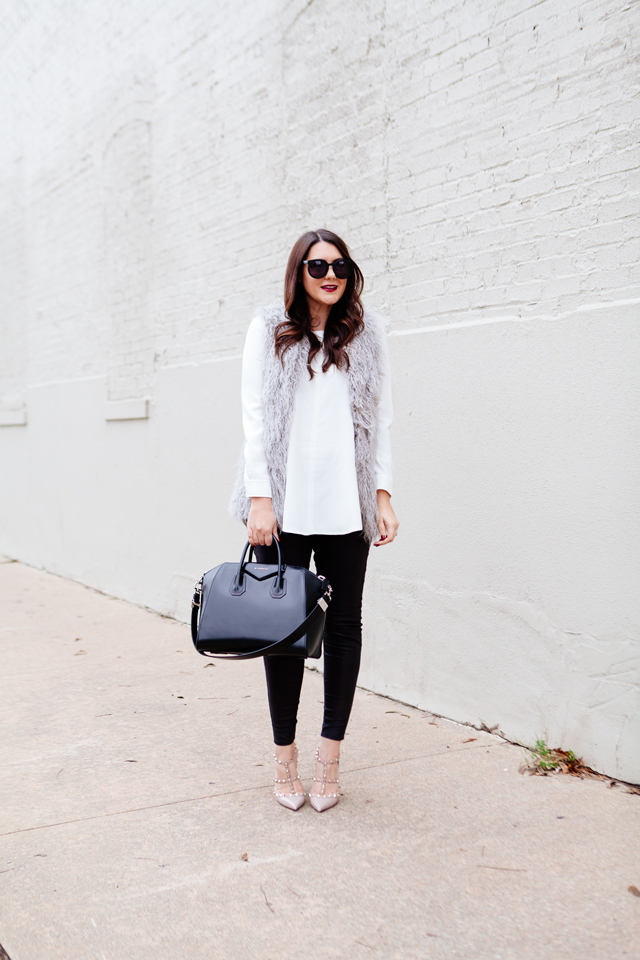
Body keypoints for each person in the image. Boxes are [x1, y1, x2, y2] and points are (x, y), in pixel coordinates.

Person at [230, 228, 399, 812]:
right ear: (297, 271)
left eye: (341, 265)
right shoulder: (269, 329)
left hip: (345, 506)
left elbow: (380, 419)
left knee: (345, 628)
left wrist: (380, 491)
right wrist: (259, 497)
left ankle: (330, 761)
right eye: (318, 265)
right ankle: (285, 761)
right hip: (284, 504)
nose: (331, 274)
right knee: (284, 636)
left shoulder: (367, 334)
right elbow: (255, 416)